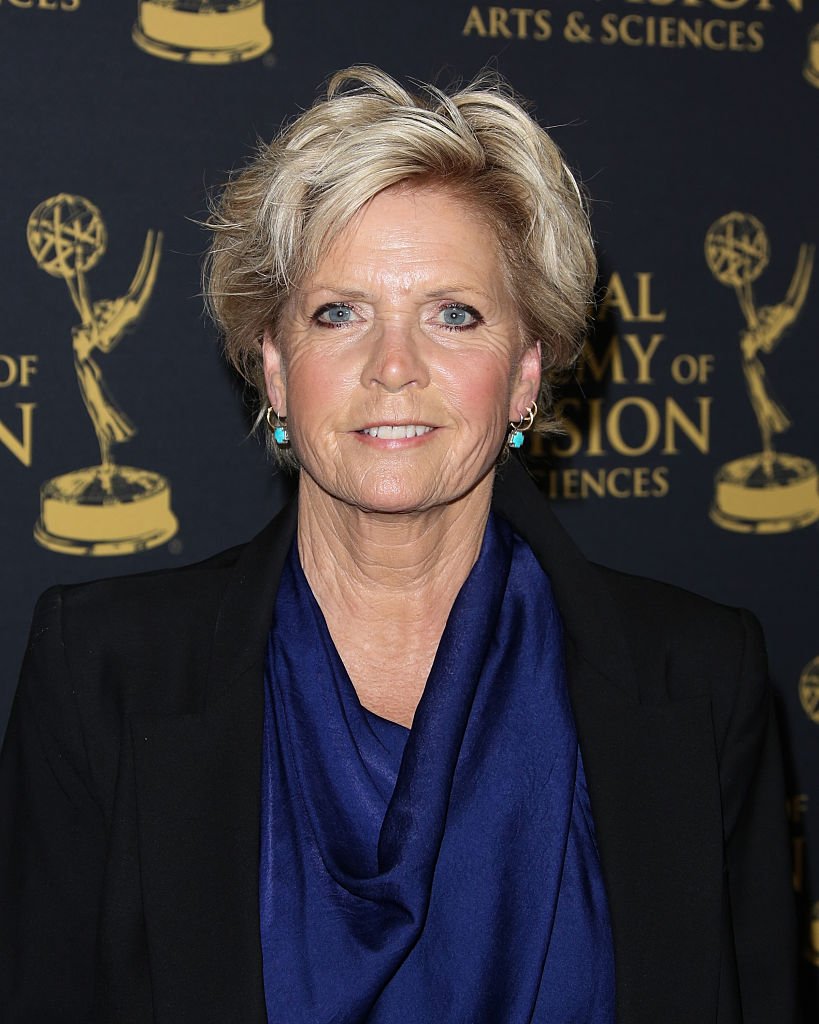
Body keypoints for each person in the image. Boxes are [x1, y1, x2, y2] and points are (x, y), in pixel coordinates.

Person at [0, 65, 796, 1024]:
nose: (393, 367)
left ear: (524, 378)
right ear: (275, 371)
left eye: (453, 315)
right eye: (339, 313)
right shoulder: (104, 674)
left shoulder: (697, 677)